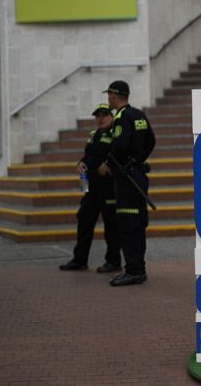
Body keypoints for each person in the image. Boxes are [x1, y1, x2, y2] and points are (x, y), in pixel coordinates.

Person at [98, 80, 156, 286]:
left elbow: (120, 145)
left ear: (114, 96)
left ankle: (133, 270)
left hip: (126, 178)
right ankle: (138, 267)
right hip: (138, 174)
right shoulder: (139, 114)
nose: (108, 100)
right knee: (138, 222)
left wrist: (110, 163)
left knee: (128, 222)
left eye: (109, 96)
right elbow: (151, 141)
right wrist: (139, 159)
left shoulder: (122, 117)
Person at [59, 103, 122, 273]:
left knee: (111, 226)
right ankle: (80, 260)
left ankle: (113, 261)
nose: (100, 118)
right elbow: (88, 156)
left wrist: (107, 165)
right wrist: (81, 163)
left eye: (104, 115)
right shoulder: (93, 135)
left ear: (112, 117)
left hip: (108, 187)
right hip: (91, 187)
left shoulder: (116, 135)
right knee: (84, 221)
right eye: (98, 115)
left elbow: (118, 156)